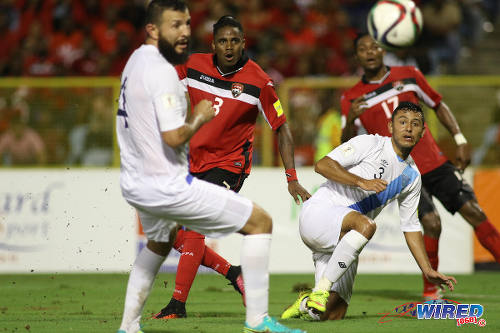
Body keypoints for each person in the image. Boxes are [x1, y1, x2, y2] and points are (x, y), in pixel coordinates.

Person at [116, 1, 304, 333]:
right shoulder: (192, 65)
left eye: (235, 41)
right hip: (188, 161)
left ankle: (176, 304)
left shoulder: (260, 81)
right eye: (222, 41)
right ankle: (234, 274)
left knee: (194, 228)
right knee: (169, 237)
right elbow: (160, 81)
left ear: (244, 42)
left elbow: (282, 128)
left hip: (228, 166)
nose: (229, 47)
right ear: (212, 43)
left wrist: (291, 178)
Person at [340, 34, 500, 300]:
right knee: (431, 222)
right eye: (362, 49)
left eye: (374, 47)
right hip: (403, 173)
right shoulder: (352, 97)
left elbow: (437, 104)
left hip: (436, 163)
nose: (369, 52)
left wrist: (459, 139)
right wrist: (350, 121)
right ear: (356, 57)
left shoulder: (409, 74)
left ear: (383, 51)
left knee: (475, 212)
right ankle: (430, 291)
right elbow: (345, 144)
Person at [281, 102, 456, 321]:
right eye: (402, 122)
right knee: (367, 225)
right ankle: (320, 289)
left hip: (344, 237)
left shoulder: (412, 176)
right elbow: (322, 165)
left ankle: (306, 303)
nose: (408, 128)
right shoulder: (370, 143)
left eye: (415, 124)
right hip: (318, 215)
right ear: (390, 126)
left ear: (423, 132)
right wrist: (361, 181)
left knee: (332, 313)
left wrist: (427, 270)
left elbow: (410, 226)